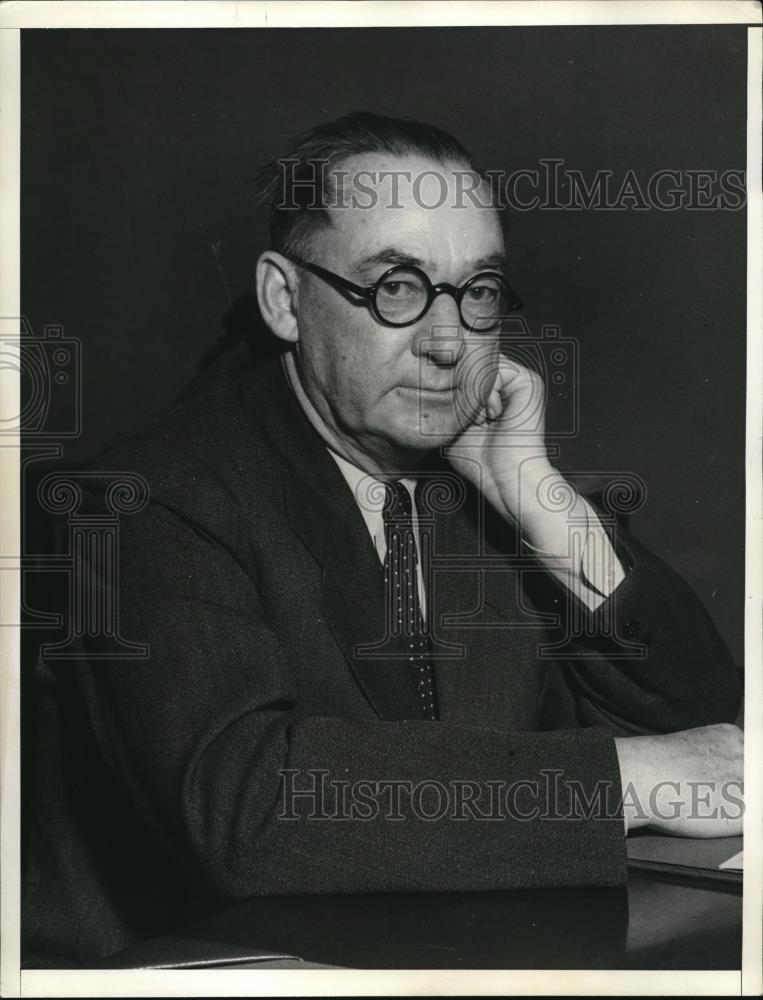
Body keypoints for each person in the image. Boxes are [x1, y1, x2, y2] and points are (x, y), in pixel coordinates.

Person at [22, 112, 743, 967]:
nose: (449, 342)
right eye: (396, 287)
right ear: (284, 300)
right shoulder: (143, 499)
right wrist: (626, 780)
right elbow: (249, 809)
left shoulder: (476, 481)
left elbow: (702, 727)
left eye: (475, 292)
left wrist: (538, 498)